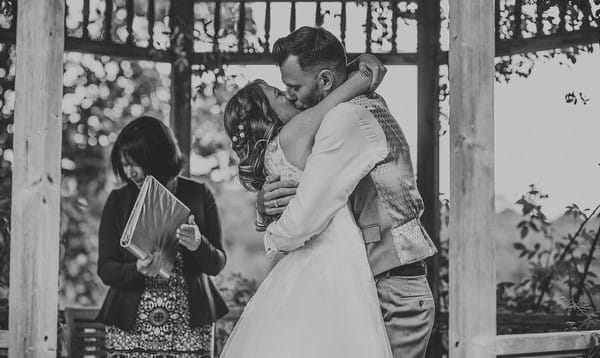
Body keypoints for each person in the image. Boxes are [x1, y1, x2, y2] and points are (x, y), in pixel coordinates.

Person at [256, 26, 438, 358]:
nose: (290, 94)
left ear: (325, 81)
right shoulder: (363, 102)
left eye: (293, 86)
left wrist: (271, 235)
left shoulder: (345, 119)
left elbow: (305, 218)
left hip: (393, 292)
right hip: (382, 287)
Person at [220, 46, 393, 357]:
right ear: (267, 113)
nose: (288, 95)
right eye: (278, 93)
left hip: (296, 269)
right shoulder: (297, 131)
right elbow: (339, 95)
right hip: (333, 265)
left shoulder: (274, 154)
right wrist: (360, 71)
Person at [96, 116, 229, 358]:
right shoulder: (118, 201)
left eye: (136, 163)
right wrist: (137, 269)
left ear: (158, 157)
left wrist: (199, 244)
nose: (130, 172)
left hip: (190, 325)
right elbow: (106, 269)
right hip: (129, 326)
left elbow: (217, 264)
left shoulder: (198, 194)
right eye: (124, 165)